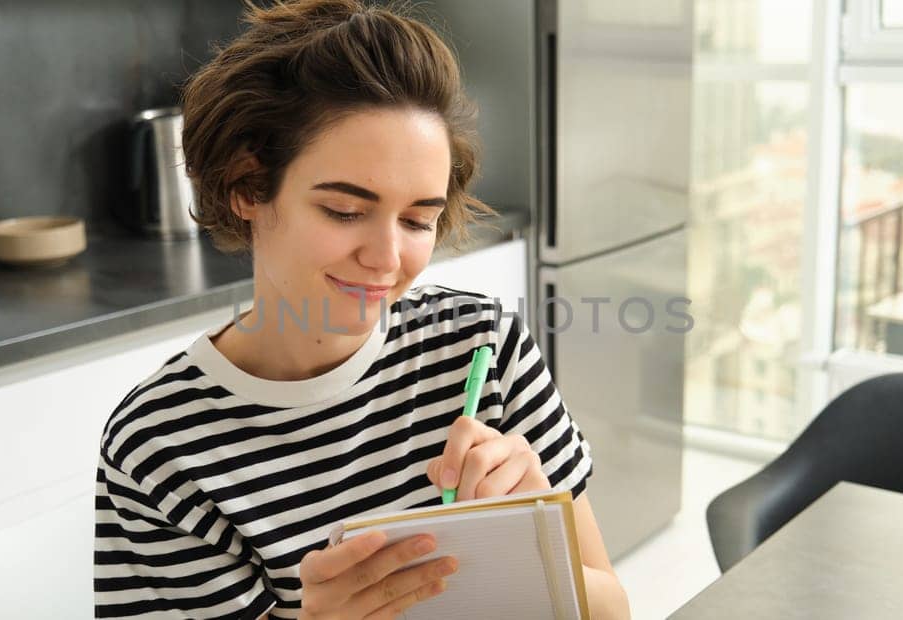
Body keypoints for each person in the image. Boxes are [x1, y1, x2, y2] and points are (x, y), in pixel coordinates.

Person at [94, 1, 627, 617]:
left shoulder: (485, 348)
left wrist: (539, 538)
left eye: (418, 219)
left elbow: (614, 610)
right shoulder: (162, 445)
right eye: (345, 211)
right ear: (247, 186)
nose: (387, 258)